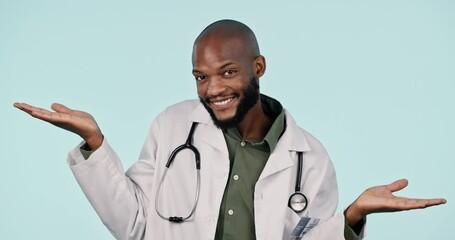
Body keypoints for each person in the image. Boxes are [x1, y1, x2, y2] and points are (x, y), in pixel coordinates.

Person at [14, 19, 446, 240]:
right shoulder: (172, 124)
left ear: (258, 68)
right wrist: (95, 144)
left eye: (227, 72)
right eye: (201, 76)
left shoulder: (309, 157)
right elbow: (135, 225)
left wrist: (352, 217)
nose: (213, 88)